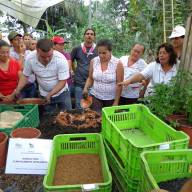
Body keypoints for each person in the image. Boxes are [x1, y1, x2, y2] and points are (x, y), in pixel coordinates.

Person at [14, 39, 72, 113]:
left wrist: (50, 94)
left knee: (68, 115)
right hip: (44, 94)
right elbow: (25, 76)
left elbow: (62, 81)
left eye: (49, 56)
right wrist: (18, 89)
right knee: (49, 118)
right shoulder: (30, 58)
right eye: (43, 57)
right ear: (37, 51)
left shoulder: (61, 59)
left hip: (62, 93)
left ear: (53, 50)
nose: (47, 59)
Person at [83, 39, 124, 113]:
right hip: (95, 96)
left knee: (108, 119)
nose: (101, 55)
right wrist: (85, 88)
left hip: (110, 99)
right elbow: (90, 78)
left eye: (104, 53)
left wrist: (116, 102)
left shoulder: (118, 63)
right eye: (99, 53)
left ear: (110, 51)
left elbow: (119, 84)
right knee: (95, 117)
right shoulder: (94, 61)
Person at [71, 28, 97, 108]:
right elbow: (70, 60)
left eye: (92, 34)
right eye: (87, 34)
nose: (89, 35)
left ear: (94, 37)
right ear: (84, 36)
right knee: (79, 105)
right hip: (79, 82)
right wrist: (74, 71)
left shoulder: (98, 49)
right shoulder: (77, 49)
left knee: (90, 106)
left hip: (92, 83)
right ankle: (79, 119)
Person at [8, 31, 36, 98]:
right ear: (11, 42)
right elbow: (17, 69)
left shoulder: (29, 52)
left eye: (20, 38)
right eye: (16, 39)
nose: (19, 41)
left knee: (31, 105)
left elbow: (33, 68)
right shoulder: (9, 54)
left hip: (31, 85)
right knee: (20, 106)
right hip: (18, 87)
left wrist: (23, 67)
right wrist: (22, 53)